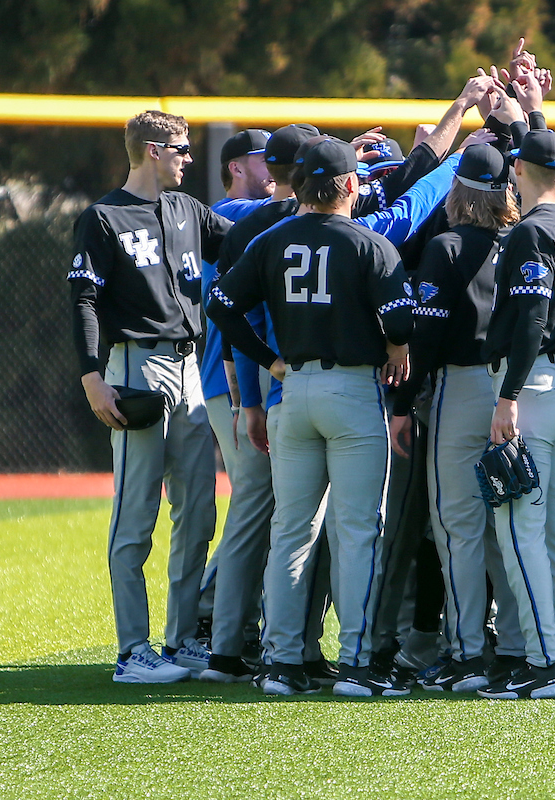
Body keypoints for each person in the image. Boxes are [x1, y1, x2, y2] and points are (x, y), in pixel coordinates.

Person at [207, 137, 415, 698]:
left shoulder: (273, 239)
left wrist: (268, 359)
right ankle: (357, 662)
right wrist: (397, 347)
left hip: (292, 388)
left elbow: (221, 304)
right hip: (352, 390)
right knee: (356, 532)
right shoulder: (370, 243)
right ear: (351, 185)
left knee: (291, 530)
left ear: (299, 186)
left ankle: (280, 660)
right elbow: (401, 323)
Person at [69, 110, 230, 684]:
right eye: (182, 149)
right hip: (135, 364)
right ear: (153, 150)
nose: (189, 158)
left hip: (188, 365)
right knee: (137, 513)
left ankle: (183, 639)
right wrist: (92, 376)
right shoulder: (103, 217)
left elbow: (246, 242)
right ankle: (132, 650)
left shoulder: (187, 209)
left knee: (198, 513)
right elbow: (84, 301)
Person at [388, 144, 527, 693]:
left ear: (459, 190)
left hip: (461, 388)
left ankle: (468, 651)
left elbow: (425, 336)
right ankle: (515, 645)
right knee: (509, 525)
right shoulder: (521, 240)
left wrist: (402, 405)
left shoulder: (446, 245)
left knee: (457, 526)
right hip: (513, 392)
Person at [197, 123, 319, 684]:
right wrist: (251, 399)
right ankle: (233, 642)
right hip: (249, 387)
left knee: (264, 514)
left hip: (251, 386)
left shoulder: (254, 220)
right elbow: (239, 315)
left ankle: (233, 640)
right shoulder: (251, 220)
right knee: (260, 511)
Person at [477, 125, 555, 700]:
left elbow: (531, 318)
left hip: (532, 387)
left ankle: (547, 664)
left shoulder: (531, 231)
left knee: (519, 529)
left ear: (518, 170)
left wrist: (508, 395)